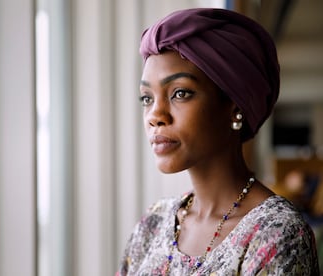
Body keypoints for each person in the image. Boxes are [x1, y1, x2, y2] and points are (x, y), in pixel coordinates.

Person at [116, 8, 319, 275]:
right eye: (147, 98)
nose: (155, 115)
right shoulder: (153, 223)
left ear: (235, 105)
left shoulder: (276, 233)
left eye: (180, 93)